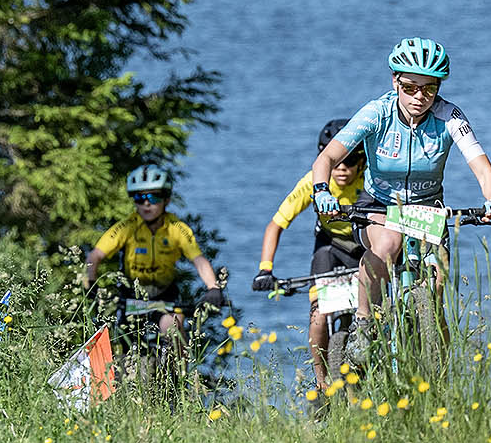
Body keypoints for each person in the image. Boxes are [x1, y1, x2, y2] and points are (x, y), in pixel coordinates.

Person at [310, 37, 491, 367]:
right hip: (379, 205)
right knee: (387, 244)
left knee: (437, 289)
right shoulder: (377, 112)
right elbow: (327, 158)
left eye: (429, 89)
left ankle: (439, 376)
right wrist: (321, 191)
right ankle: (363, 325)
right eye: (410, 87)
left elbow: (484, 170)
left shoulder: (450, 117)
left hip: (428, 208)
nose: (419, 97)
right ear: (395, 81)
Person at [252, 119, 367, 390]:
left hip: (366, 247)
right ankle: (322, 385)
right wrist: (265, 269)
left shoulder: (373, 180)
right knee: (317, 316)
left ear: (362, 161)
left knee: (377, 311)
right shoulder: (313, 182)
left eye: (350, 162)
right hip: (330, 246)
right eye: (335, 162)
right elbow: (275, 225)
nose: (342, 169)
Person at [83, 164, 224, 341]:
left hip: (165, 296)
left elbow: (199, 260)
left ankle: (178, 360)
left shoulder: (177, 229)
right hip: (130, 297)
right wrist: (90, 283)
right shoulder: (126, 227)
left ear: (166, 199)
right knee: (124, 345)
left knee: (172, 328)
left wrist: (213, 287)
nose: (146, 203)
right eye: (139, 198)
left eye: (153, 197)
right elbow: (95, 256)